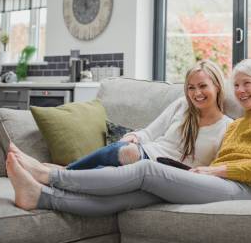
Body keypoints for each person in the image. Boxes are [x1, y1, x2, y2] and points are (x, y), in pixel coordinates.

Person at [6, 59, 251, 216]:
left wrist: (216, 169)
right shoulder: (239, 124)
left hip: (240, 188)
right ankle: (41, 198)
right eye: (237, 85)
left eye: (247, 84)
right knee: (132, 197)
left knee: (145, 168)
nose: (240, 91)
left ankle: (51, 177)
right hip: (213, 180)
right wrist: (209, 171)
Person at [63, 59, 232, 170]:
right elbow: (149, 133)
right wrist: (135, 137)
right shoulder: (183, 105)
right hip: (149, 154)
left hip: (172, 173)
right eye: (191, 87)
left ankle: (61, 172)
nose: (197, 93)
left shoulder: (227, 127)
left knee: (121, 159)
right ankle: (63, 173)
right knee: (113, 162)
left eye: (203, 86)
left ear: (217, 86)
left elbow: (217, 167)